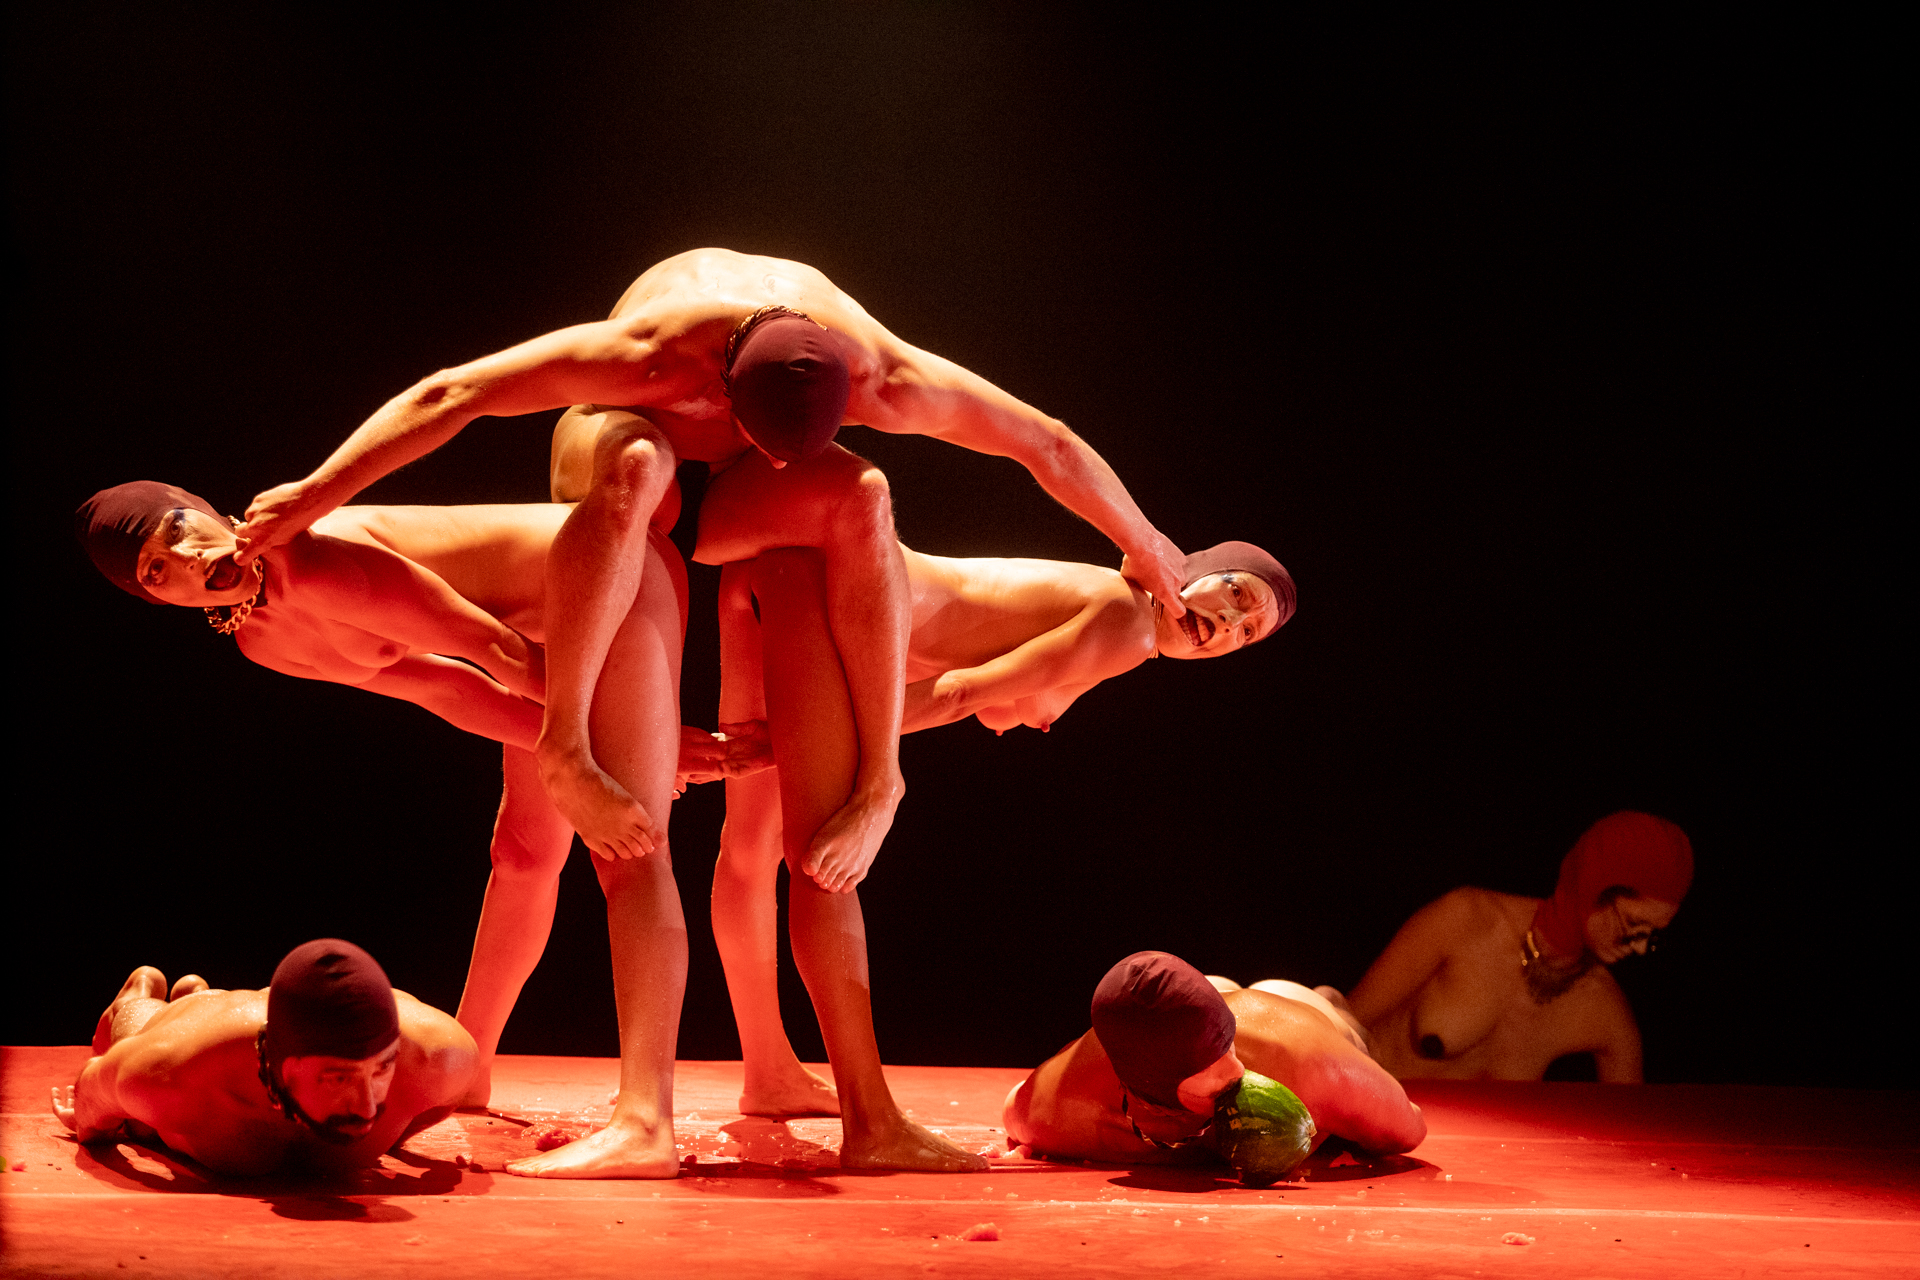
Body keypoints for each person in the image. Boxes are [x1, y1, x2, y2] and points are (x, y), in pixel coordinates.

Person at [232, 248, 1187, 1177]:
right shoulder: (650, 353)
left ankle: (861, 1104)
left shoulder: (884, 374)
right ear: (723, 387)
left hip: (747, 520)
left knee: (863, 493)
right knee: (571, 801)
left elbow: (1044, 440)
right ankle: (605, 1097)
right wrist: (315, 494)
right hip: (622, 499)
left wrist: (1153, 552)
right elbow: (454, 393)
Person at [685, 538, 1295, 1116]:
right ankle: (843, 1101)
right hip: (828, 595)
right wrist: (778, 749)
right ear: (1192, 569)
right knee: (808, 854)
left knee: (748, 850)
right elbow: (957, 694)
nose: (1229, 625)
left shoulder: (1119, 614)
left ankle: (768, 1072)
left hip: (789, 580)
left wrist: (773, 746)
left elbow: (977, 695)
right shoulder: (1127, 623)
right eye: (1237, 594)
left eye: (1247, 633)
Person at [75, 483, 580, 1110]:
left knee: (624, 840)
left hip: (588, 577)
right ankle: (469, 1071)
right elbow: (445, 690)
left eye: (178, 530)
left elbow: (488, 648)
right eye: (157, 571)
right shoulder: (260, 638)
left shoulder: (308, 562)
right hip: (539, 640)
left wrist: (624, 746)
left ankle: (643, 1111)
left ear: (207, 511)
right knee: (525, 852)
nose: (187, 560)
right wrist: (585, 753)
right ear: (160, 600)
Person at [52, 939, 475, 1177]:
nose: (367, 1106)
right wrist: (102, 1127)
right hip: (199, 1032)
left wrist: (372, 1133)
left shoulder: (439, 1059)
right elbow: (93, 1090)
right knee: (142, 1052)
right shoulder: (172, 1074)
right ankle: (141, 994)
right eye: (338, 1078)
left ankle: (194, 994)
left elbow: (441, 1099)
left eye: (382, 1069)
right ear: (283, 1069)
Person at [1344, 811, 1694, 1082]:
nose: (1639, 947)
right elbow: (1340, 1023)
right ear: (1595, 887)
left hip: (1474, 1155)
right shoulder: (1466, 919)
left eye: (1652, 934)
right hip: (1367, 1134)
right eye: (1633, 924)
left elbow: (1632, 1132)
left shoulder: (1605, 1012)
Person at [1003, 952, 1424, 1173]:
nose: (1236, 1072)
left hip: (1284, 1017)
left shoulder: (1306, 1064)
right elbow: (1014, 1110)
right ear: (1145, 1095)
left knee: (1318, 1009)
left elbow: (1410, 1128)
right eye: (1211, 1071)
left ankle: (1328, 1000)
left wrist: (1343, 1116)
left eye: (1228, 1049)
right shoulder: (1063, 1105)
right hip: (1151, 1041)